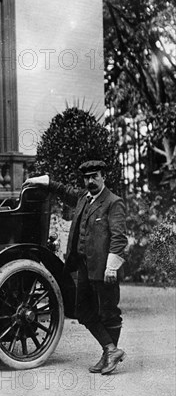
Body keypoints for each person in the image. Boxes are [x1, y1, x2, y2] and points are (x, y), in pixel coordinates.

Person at [23, 160, 128, 375]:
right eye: (87, 177)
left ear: (103, 176)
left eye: (95, 176)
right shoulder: (83, 198)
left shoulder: (113, 202)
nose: (90, 181)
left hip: (104, 269)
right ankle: (110, 350)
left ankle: (109, 353)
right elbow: (64, 190)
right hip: (83, 268)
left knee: (108, 313)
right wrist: (44, 181)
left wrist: (111, 267)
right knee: (82, 311)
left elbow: (119, 237)